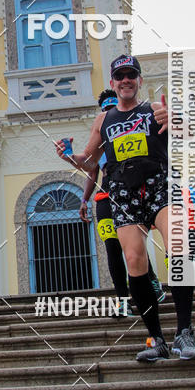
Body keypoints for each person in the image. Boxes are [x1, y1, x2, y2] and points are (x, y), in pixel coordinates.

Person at [56, 54, 195, 362]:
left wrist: (177, 121)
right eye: (120, 75)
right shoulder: (104, 121)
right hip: (121, 192)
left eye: (131, 75)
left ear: (139, 80)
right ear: (112, 82)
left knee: (178, 246)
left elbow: (188, 137)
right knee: (135, 260)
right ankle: (157, 339)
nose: (126, 80)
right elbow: (89, 161)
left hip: (160, 183)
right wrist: (68, 156)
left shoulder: (154, 110)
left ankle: (185, 334)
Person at [79, 89, 165, 317]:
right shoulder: (102, 133)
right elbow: (92, 169)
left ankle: (152, 280)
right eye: (105, 108)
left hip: (133, 191)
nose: (109, 112)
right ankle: (122, 300)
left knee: (134, 246)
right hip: (106, 196)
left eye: (112, 106)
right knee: (112, 249)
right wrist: (84, 199)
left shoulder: (137, 127)